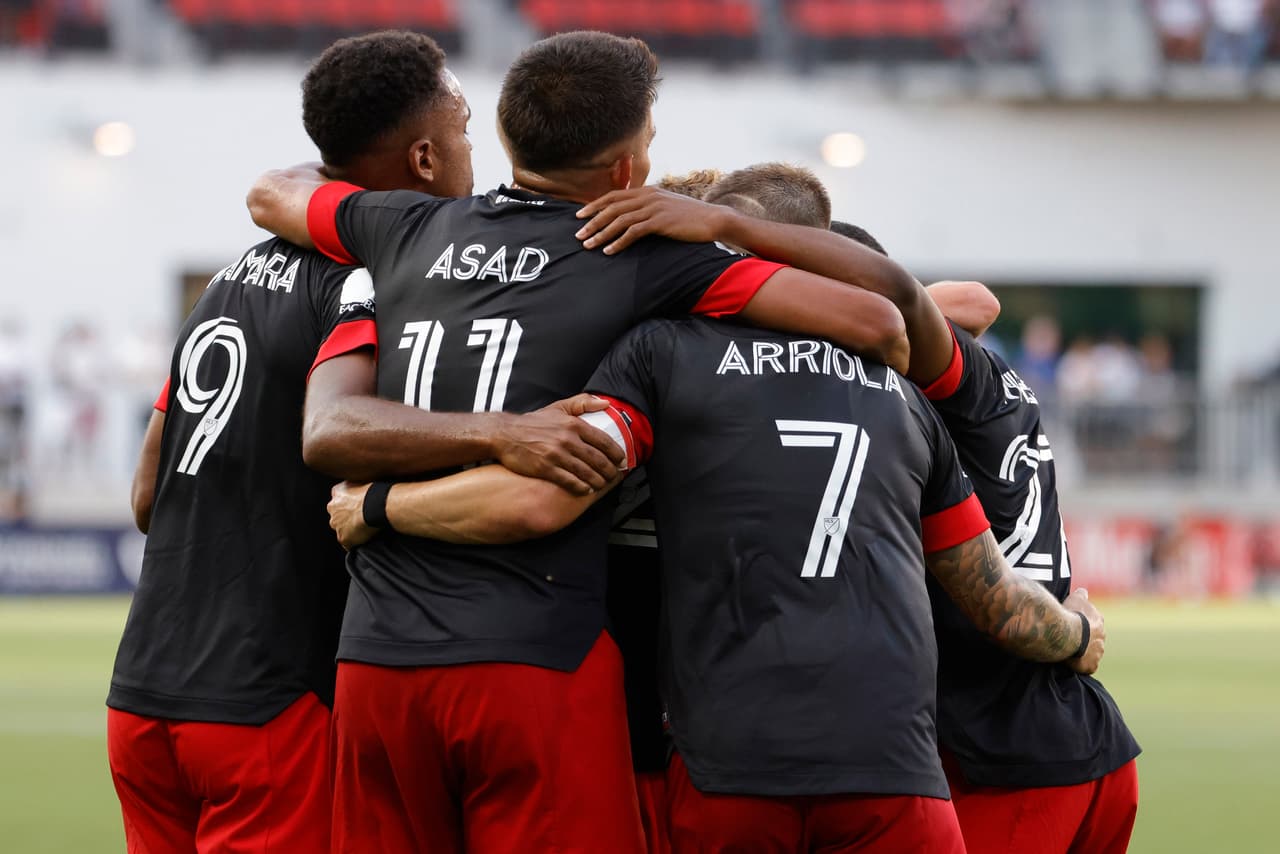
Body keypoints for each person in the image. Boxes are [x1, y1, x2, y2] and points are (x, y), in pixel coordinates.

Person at [246, 30, 930, 854]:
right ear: (627, 172)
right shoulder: (646, 257)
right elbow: (880, 319)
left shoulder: (400, 226)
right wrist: (716, 224)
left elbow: (271, 191)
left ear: (505, 135)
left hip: (375, 658)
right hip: (534, 654)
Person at [324, 202, 1107, 853]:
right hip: (900, 776)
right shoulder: (909, 398)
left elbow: (543, 499)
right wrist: (1074, 636)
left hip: (729, 771)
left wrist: (380, 506)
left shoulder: (664, 354)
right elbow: (996, 594)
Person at [106, 31, 625, 853]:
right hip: (272, 696)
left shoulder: (223, 286)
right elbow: (353, 431)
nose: (472, 154)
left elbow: (145, 498)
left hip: (142, 698)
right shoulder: (378, 282)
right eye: (461, 129)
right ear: (423, 159)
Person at [823, 222, 1143, 854]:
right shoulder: (954, 380)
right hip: (1053, 730)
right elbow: (976, 304)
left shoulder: (935, 376)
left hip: (1018, 752)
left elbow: (975, 300)